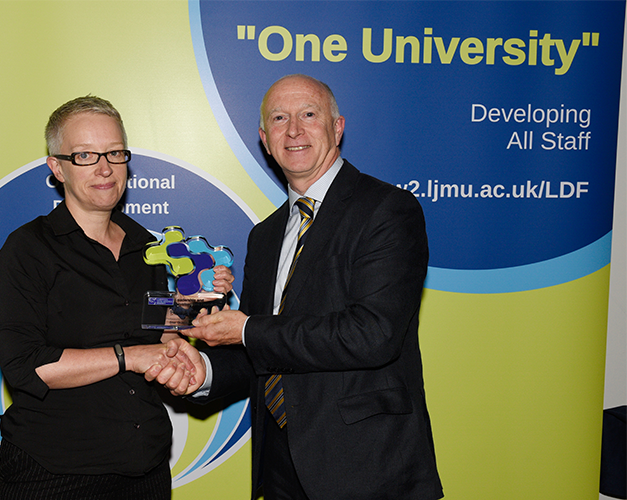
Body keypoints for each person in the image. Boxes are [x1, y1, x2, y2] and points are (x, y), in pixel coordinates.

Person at [172, 74, 444, 499]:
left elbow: (373, 334)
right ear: (265, 139)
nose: (294, 130)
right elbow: (266, 352)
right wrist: (203, 372)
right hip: (280, 466)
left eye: (309, 115)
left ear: (337, 127)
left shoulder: (388, 210)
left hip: (367, 467)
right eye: (280, 118)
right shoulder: (264, 236)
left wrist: (244, 330)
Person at [0, 95, 232, 499]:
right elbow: (26, 368)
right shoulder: (27, 249)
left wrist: (197, 302)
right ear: (57, 168)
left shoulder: (144, 245)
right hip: (55, 474)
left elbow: (154, 324)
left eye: (115, 153)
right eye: (85, 155)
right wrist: (131, 357)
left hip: (146, 470)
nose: (104, 168)